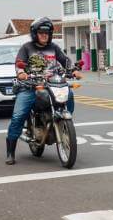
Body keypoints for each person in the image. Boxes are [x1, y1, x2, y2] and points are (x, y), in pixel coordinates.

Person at [5, 17, 81, 164]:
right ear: (35, 33)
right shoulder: (26, 48)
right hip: (30, 86)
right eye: (41, 32)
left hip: (52, 84)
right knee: (18, 116)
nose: (44, 35)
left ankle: (62, 122)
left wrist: (72, 70)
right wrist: (21, 72)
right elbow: (19, 64)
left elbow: (65, 61)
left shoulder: (54, 47)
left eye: (47, 32)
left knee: (69, 94)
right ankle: (10, 152)